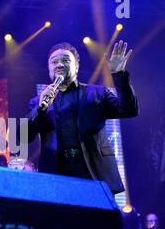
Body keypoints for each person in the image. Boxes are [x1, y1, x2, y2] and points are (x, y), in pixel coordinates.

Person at [23, 41, 139, 194]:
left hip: (93, 172)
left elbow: (129, 110)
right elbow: (21, 137)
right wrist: (40, 109)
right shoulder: (37, 101)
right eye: (54, 61)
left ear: (76, 66)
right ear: (49, 69)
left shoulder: (97, 93)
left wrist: (119, 75)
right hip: (56, 174)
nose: (59, 64)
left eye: (65, 60)